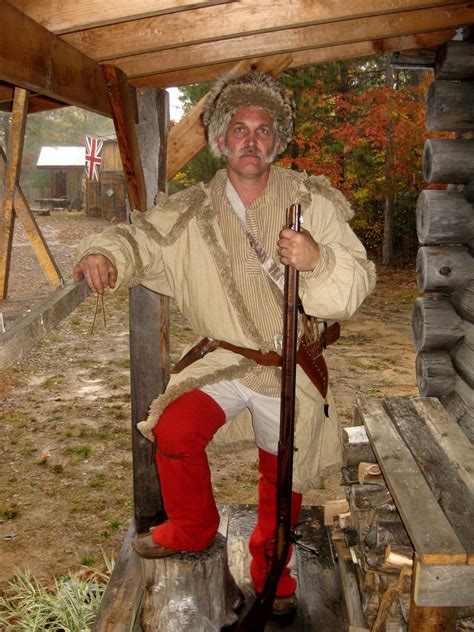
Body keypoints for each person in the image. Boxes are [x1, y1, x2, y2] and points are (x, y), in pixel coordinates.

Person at [73, 71, 375, 615]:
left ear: (277, 142)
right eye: (239, 128)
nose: (251, 140)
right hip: (228, 360)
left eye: (263, 130)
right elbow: (138, 238)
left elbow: (355, 282)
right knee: (173, 428)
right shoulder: (191, 210)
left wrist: (317, 261)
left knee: (282, 474)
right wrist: (106, 256)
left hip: (292, 366)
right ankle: (192, 527)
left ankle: (271, 571)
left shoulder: (313, 203)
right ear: (221, 140)